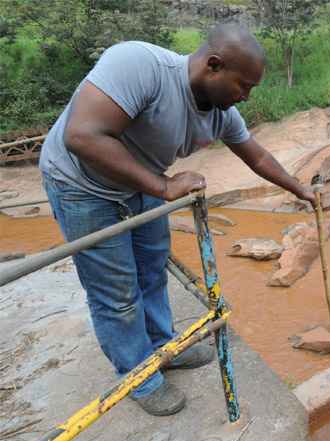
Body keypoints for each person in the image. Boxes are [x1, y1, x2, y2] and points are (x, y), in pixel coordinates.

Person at [39, 23, 314, 416]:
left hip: (142, 183)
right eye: (244, 86)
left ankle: (163, 348)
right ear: (213, 66)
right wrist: (163, 185)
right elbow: (82, 136)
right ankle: (139, 376)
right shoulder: (138, 64)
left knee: (152, 269)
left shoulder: (222, 113)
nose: (247, 98)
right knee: (116, 292)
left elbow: (258, 157)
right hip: (83, 186)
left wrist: (300, 189)